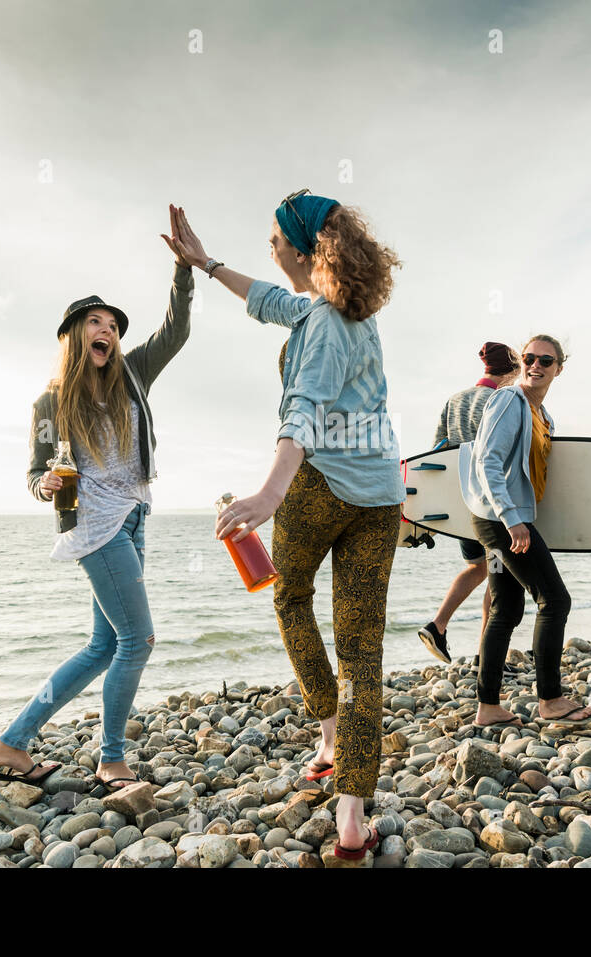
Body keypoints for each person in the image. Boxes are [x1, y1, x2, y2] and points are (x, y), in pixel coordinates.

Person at [164, 191, 403, 861]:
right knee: (363, 651)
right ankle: (353, 816)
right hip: (382, 496)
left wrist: (271, 491)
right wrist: (206, 263)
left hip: (321, 486)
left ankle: (329, 729)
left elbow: (303, 410)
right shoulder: (349, 310)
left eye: (274, 238)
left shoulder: (324, 323)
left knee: (289, 594)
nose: (268, 247)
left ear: (302, 248)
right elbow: (271, 300)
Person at [0, 206, 194, 791]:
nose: (109, 331)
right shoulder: (50, 403)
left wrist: (183, 272)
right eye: (97, 323)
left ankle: (11, 745)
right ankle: (111, 757)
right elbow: (35, 471)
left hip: (134, 519)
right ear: (77, 334)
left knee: (104, 645)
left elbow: (175, 332)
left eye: (115, 326)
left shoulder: (134, 376)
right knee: (138, 640)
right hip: (95, 526)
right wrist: (43, 484)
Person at [458, 334, 591, 728]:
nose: (536, 365)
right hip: (501, 520)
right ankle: (550, 699)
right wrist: (512, 518)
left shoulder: (543, 415)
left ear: (559, 368)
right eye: (530, 358)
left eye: (546, 361)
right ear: (521, 361)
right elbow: (487, 461)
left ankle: (488, 708)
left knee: (506, 608)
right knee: (554, 600)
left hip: (503, 517)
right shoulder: (508, 399)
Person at [417, 342, 520, 664]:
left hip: (459, 500)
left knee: (479, 567)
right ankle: (487, 656)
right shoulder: (505, 399)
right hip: (491, 502)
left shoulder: (455, 400)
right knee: (499, 571)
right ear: (513, 371)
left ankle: (438, 625)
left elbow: (438, 450)